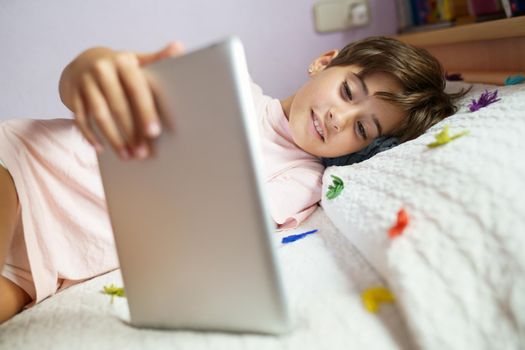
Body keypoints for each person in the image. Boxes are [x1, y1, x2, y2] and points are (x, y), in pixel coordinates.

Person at [0, 36, 464, 323]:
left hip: (49, 269)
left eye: (362, 128)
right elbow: (85, 83)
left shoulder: (303, 185)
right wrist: (92, 67)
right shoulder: (229, 83)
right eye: (347, 92)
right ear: (324, 62)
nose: (339, 118)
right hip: (26, 170)